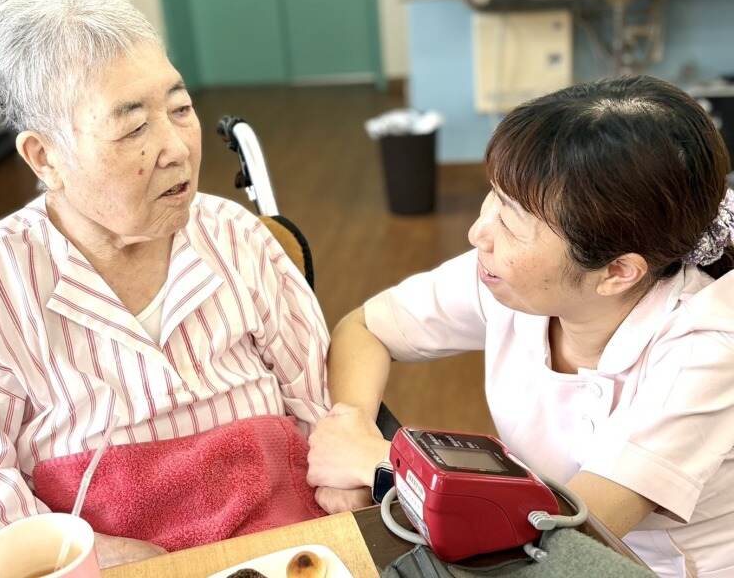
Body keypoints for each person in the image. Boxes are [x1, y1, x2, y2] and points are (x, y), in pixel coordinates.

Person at [0, 0, 329, 576]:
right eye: (133, 127)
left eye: (180, 109)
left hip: (284, 553)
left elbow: (319, 406)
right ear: (45, 158)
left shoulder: (238, 239)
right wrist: (91, 555)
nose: (177, 148)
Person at [307, 76, 734, 578]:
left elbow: (570, 533)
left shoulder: (708, 348)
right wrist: (350, 427)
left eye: (511, 223)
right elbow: (366, 327)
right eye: (494, 196)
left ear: (617, 272)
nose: (478, 233)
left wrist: (380, 464)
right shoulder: (512, 279)